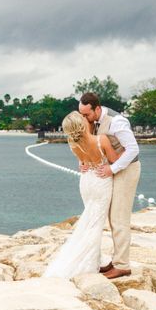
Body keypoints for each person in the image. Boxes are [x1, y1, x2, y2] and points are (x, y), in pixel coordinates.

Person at [42, 111, 120, 278]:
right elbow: (114, 160)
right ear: (81, 124)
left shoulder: (73, 144)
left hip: (86, 181)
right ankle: (88, 263)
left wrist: (83, 164)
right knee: (96, 224)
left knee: (90, 220)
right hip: (100, 181)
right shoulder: (102, 139)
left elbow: (83, 162)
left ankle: (94, 259)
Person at [78, 92, 140, 280]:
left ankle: (122, 265)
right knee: (112, 217)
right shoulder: (93, 121)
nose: (83, 118)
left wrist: (112, 169)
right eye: (81, 114)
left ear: (97, 109)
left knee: (119, 217)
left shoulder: (116, 122)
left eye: (86, 114)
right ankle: (116, 260)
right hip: (113, 168)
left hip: (127, 170)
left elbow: (133, 149)